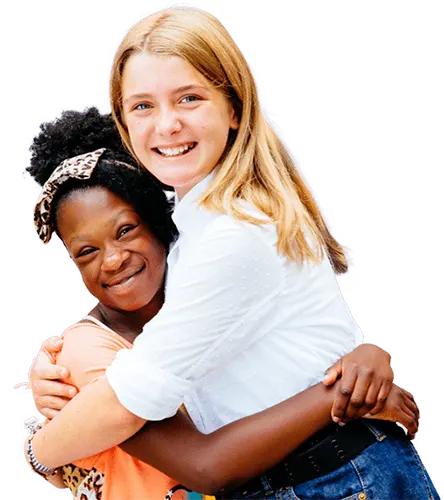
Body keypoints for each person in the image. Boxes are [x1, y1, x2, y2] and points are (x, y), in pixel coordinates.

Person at [26, 7, 440, 500]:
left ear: (235, 107)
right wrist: (53, 374)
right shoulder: (198, 228)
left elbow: (140, 413)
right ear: (124, 120)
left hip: (334, 482)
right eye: (142, 107)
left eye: (190, 98)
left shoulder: (235, 233)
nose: (168, 125)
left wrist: (38, 451)